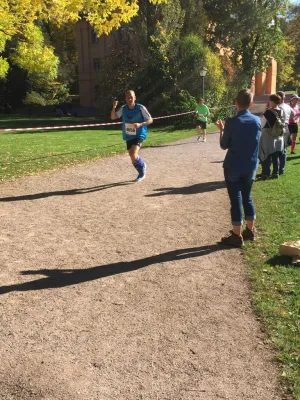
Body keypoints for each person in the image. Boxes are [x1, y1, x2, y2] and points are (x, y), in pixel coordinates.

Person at [216, 89, 261, 247]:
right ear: (251, 103)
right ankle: (250, 230)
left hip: (233, 165)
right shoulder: (256, 121)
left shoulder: (232, 121)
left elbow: (224, 145)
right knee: (247, 197)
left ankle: (236, 235)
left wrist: (222, 129)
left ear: (236, 102)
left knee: (236, 200)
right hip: (250, 166)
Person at [111, 90, 153, 182]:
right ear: (125, 98)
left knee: (133, 153)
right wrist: (114, 107)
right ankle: (142, 165)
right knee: (131, 155)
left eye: (131, 97)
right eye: (128, 97)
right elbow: (113, 117)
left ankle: (141, 172)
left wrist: (140, 124)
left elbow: (150, 120)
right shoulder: (123, 108)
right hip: (128, 135)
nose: (129, 99)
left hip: (139, 134)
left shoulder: (140, 107)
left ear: (135, 98)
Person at [257, 94, 285, 180]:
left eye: (270, 100)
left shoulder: (268, 112)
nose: (269, 102)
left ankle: (266, 173)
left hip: (268, 136)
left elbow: (261, 125)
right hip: (278, 136)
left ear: (272, 101)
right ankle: (275, 173)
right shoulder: (281, 111)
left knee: (266, 155)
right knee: (275, 155)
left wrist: (262, 116)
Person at [276, 91, 295, 173]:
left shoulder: (278, 107)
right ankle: (281, 168)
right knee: (284, 149)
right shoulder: (288, 106)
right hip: (286, 127)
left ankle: (277, 168)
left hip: (279, 128)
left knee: (277, 149)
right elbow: (293, 114)